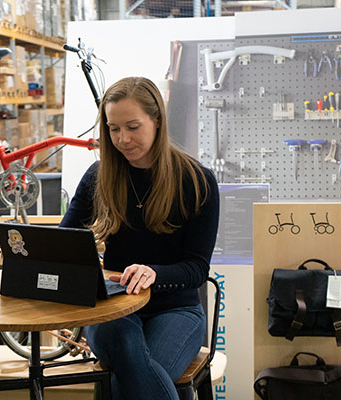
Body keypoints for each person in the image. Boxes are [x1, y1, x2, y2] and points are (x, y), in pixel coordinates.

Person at [59, 76, 219, 400]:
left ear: (157, 120)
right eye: (113, 129)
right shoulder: (98, 178)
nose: (122, 139)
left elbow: (197, 268)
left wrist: (154, 273)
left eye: (132, 126)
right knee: (131, 354)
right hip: (113, 311)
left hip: (176, 311)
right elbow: (64, 242)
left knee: (131, 376)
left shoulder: (197, 181)